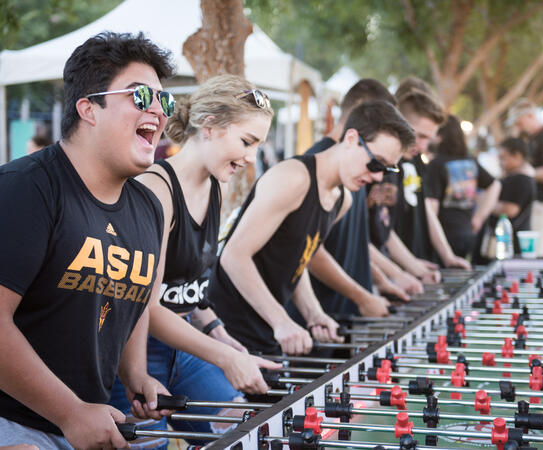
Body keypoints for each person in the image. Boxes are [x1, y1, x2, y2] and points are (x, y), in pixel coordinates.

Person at [0, 31, 175, 449]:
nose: (158, 110)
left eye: (164, 101)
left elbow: (129, 295)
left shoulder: (148, 207)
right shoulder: (26, 188)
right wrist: (70, 413)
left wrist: (137, 375)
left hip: (92, 422)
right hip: (15, 421)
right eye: (139, 96)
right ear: (88, 108)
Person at [108, 75, 280, 447]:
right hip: (134, 353)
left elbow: (189, 288)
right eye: (247, 142)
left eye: (257, 145)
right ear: (210, 127)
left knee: (242, 434)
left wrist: (219, 332)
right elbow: (147, 308)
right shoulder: (156, 189)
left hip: (186, 348)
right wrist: (224, 358)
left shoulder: (217, 185)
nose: (251, 158)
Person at [208, 100, 415, 355]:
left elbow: (298, 256)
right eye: (376, 163)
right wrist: (281, 321)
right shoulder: (293, 178)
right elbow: (234, 256)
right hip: (225, 332)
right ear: (351, 138)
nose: (378, 177)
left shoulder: (342, 200)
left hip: (264, 333)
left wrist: (313, 313)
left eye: (386, 169)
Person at [288, 79, 426, 327]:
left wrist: (384, 281)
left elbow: (357, 240)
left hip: (348, 314)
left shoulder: (359, 169)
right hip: (320, 317)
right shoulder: (320, 165)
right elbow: (309, 252)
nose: (378, 175)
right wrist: (361, 296)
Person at [393, 79, 471, 269]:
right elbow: (381, 231)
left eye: (427, 138)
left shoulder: (417, 159)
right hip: (398, 268)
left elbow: (426, 209)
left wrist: (447, 255)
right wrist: (408, 267)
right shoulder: (388, 163)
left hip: (419, 261)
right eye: (419, 136)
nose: (423, 146)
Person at [425, 115, 501, 260]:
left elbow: (431, 205)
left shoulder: (436, 164)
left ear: (441, 136)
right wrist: (479, 217)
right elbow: (495, 185)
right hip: (468, 231)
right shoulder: (470, 161)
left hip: (443, 234)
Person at [506, 98, 543, 257]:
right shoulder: (532, 138)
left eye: (520, 122)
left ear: (530, 116)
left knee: (534, 254)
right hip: (534, 203)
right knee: (525, 252)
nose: (519, 127)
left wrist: (527, 173)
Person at [482, 137, 536, 258]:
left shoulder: (521, 179)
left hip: (510, 243)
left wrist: (485, 204)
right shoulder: (513, 177)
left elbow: (510, 209)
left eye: (503, 158)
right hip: (504, 242)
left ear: (517, 155)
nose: (500, 162)